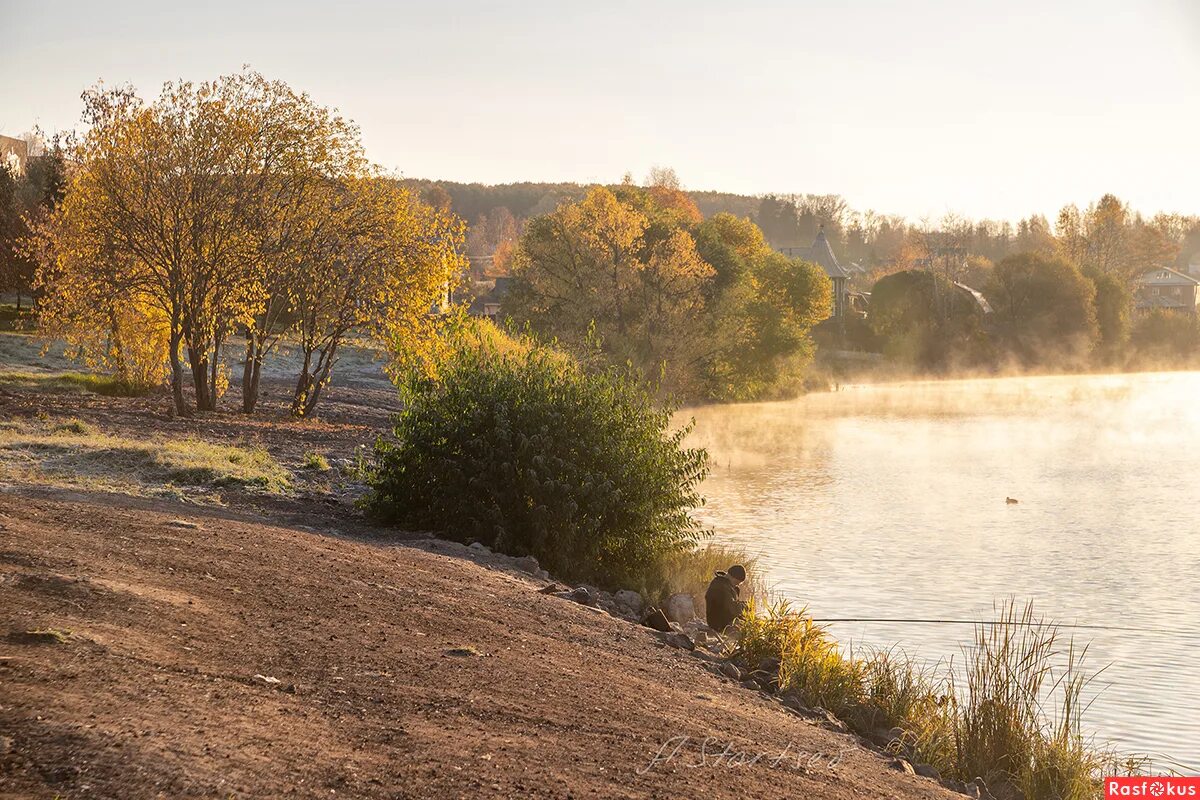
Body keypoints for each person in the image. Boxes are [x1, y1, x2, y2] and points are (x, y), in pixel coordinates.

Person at [705, 564, 747, 633]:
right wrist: (745, 606)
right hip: (718, 624)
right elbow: (732, 608)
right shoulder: (720, 587)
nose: (737, 585)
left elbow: (732, 605)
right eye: (736, 582)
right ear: (731, 577)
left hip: (723, 619)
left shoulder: (728, 585)